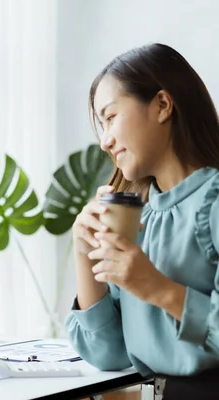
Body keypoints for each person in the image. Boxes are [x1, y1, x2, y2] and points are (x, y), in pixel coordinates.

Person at [65, 43, 219, 399]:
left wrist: (153, 286)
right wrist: (84, 254)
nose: (104, 141)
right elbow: (109, 354)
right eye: (100, 125)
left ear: (163, 105)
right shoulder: (137, 216)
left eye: (111, 116)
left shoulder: (212, 202)